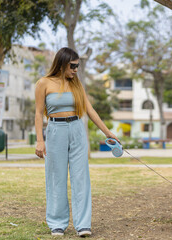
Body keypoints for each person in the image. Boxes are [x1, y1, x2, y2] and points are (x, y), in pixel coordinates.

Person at [34, 47, 119, 237]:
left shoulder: (76, 84)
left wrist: (108, 133)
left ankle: (82, 225)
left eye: (77, 66)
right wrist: (40, 140)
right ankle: (57, 223)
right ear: (62, 63)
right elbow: (38, 113)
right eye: (73, 66)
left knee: (81, 177)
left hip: (77, 129)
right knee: (56, 177)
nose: (75, 70)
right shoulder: (44, 83)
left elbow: (90, 110)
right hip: (55, 130)